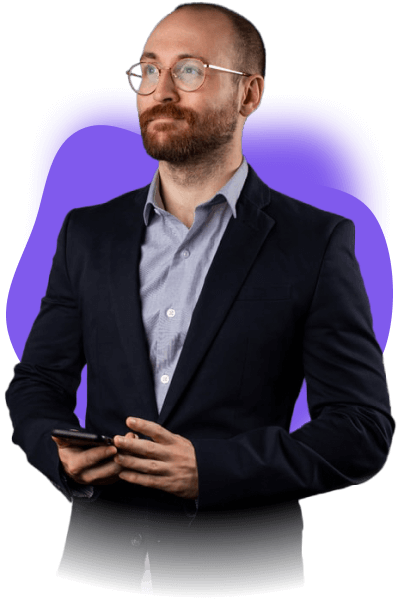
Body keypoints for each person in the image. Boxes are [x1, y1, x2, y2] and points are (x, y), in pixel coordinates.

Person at [5, 2, 396, 597]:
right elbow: (36, 383)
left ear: (249, 95)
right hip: (96, 567)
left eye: (189, 70)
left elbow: (361, 429)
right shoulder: (87, 233)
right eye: (148, 70)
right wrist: (58, 451)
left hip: (239, 573)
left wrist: (211, 470)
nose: (159, 90)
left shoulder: (315, 243)